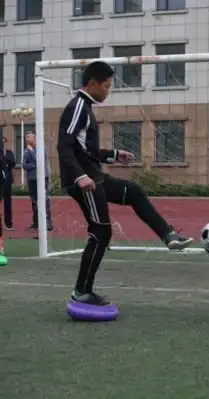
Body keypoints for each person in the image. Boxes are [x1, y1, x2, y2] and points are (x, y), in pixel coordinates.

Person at [57, 61, 193, 308]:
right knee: (100, 232)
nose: (108, 91)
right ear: (92, 84)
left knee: (134, 192)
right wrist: (80, 177)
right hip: (85, 181)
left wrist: (113, 154)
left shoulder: (86, 107)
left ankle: (168, 235)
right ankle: (81, 292)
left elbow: (85, 149)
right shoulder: (77, 106)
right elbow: (64, 146)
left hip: (95, 177)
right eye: (106, 86)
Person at [23, 132, 53, 231]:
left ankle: (48, 223)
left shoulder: (40, 149)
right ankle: (36, 223)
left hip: (42, 178)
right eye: (25, 137)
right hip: (31, 178)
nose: (27, 139)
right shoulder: (26, 151)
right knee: (34, 201)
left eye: (29, 137)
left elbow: (39, 161)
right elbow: (24, 165)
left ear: (35, 138)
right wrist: (33, 165)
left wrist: (32, 152)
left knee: (44, 200)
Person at [2, 137, 15, 230]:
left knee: (7, 202)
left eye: (3, 142)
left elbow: (12, 163)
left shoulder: (9, 153)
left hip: (7, 181)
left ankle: (8, 223)